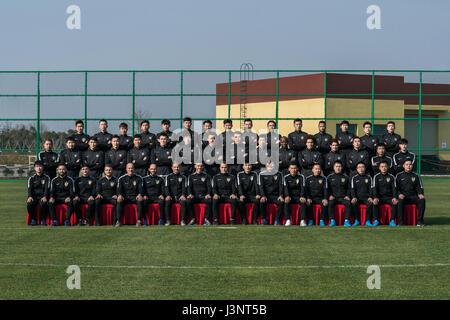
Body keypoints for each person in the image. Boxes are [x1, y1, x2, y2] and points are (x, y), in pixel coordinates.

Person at [395, 160, 425, 226]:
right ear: (403, 166)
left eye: (410, 164)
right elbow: (396, 188)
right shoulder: (399, 175)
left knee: (422, 200)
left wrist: (420, 194)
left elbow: (420, 187)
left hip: (414, 197)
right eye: (407, 164)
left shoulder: (416, 175)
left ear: (412, 166)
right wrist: (399, 194)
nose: (408, 166)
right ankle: (401, 222)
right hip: (404, 197)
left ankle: (420, 221)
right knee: (400, 201)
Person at [116, 163, 145, 227]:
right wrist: (120, 195)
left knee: (140, 200)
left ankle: (139, 221)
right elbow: (119, 189)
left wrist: (140, 194)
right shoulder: (121, 178)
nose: (130, 169)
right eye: (129, 168)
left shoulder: (139, 178)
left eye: (132, 168)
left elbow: (141, 189)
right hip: (125, 197)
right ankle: (118, 221)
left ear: (134, 169)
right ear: (126, 169)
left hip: (135, 197)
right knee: (119, 200)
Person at [372, 161, 398, 227]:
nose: (384, 168)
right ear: (379, 168)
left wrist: (394, 197)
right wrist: (375, 197)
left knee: (395, 203)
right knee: (375, 203)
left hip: (389, 197)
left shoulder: (392, 177)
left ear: (388, 167)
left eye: (385, 166)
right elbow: (374, 188)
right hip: (379, 197)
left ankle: (392, 220)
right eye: (382, 167)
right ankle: (376, 220)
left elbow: (394, 188)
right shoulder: (376, 177)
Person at [258, 161, 284, 226]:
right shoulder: (261, 174)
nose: (270, 165)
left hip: (276, 196)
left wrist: (280, 195)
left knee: (281, 202)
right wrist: (263, 196)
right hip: (266, 196)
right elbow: (261, 187)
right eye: (268, 163)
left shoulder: (279, 174)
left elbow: (281, 186)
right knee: (261, 202)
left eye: (272, 163)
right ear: (266, 165)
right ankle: (264, 220)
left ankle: (277, 220)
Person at [326, 161, 351, 227]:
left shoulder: (346, 177)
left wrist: (347, 196)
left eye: (339, 166)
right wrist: (330, 195)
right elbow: (327, 188)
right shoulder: (329, 177)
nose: (338, 168)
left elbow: (349, 188)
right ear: (334, 168)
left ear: (342, 168)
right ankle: (332, 220)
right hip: (334, 197)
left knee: (348, 203)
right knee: (330, 203)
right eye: (336, 166)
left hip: (343, 197)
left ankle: (346, 221)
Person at [283, 162, 307, 226]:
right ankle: (288, 220)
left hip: (299, 197)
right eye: (292, 168)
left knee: (303, 202)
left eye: (295, 168)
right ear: (289, 169)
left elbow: (303, 188)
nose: (293, 170)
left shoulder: (301, 177)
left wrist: (302, 196)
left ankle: (302, 220)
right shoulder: (286, 177)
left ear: (297, 169)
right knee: (286, 202)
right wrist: (287, 196)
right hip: (290, 197)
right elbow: (285, 188)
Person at [27, 161, 51, 226]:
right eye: (37, 166)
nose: (39, 168)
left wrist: (45, 196)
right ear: (34, 168)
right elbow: (30, 189)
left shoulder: (47, 178)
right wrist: (30, 196)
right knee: (29, 204)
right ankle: (33, 219)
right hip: (34, 197)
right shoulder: (31, 178)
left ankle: (43, 220)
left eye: (40, 166)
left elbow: (47, 188)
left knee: (43, 203)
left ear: (43, 167)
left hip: (43, 196)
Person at [350, 162, 374, 226]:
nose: (361, 169)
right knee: (354, 203)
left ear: (365, 168)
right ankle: (357, 220)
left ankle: (367, 220)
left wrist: (370, 197)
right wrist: (353, 197)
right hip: (357, 198)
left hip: (366, 198)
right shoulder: (354, 178)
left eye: (362, 167)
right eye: (359, 167)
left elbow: (371, 188)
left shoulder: (369, 177)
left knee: (370, 203)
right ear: (357, 169)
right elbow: (352, 189)